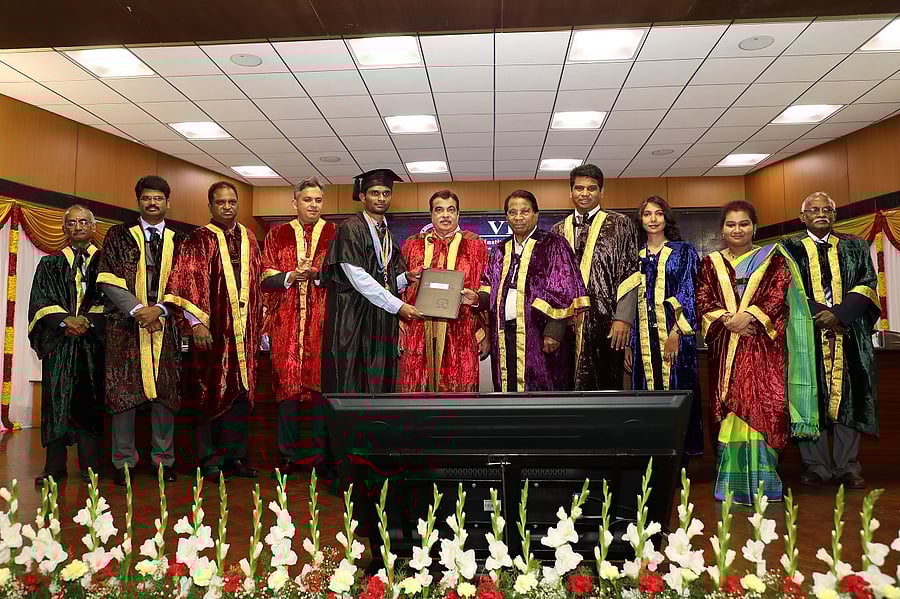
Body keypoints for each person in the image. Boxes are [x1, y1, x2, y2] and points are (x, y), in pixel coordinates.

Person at [696, 200, 816, 504]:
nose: (737, 230)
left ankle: (764, 484)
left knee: (762, 406)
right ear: (722, 230)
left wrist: (750, 317)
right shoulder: (710, 263)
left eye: (744, 224)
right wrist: (729, 320)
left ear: (755, 227)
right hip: (726, 346)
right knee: (731, 407)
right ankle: (732, 484)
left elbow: (776, 295)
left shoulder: (773, 259)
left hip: (763, 347)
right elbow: (703, 299)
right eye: (731, 224)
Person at [163, 181, 263, 481]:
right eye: (221, 202)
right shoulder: (199, 238)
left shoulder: (249, 237)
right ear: (210, 206)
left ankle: (235, 458)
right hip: (212, 332)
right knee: (209, 394)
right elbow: (186, 282)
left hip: (244, 332)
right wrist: (197, 323)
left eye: (232, 202)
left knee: (240, 394)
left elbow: (257, 282)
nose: (227, 207)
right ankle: (210, 460)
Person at [781, 192, 880, 490]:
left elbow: (867, 284)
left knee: (851, 397)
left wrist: (839, 315)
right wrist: (819, 314)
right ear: (803, 217)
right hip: (805, 334)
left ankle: (847, 466)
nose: (821, 213)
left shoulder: (855, 246)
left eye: (827, 209)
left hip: (849, 335)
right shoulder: (788, 249)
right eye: (814, 210)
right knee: (808, 397)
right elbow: (784, 289)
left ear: (835, 215)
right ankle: (817, 467)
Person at [97, 176, 185, 486]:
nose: (152, 202)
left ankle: (164, 461)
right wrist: (138, 311)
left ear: (167, 202)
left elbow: (186, 284)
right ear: (138, 202)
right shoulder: (118, 235)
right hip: (125, 328)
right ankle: (123, 462)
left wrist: (159, 309)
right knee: (124, 395)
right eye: (147, 197)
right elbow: (107, 279)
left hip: (166, 327)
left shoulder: (180, 240)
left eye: (158, 198)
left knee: (165, 396)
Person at [321, 168, 424, 396]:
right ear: (362, 196)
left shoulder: (388, 235)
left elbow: (385, 280)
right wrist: (398, 306)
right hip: (353, 319)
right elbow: (358, 278)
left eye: (386, 193)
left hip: (380, 320)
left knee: (380, 384)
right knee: (353, 382)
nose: (381, 198)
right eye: (375, 193)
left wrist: (406, 278)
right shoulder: (350, 229)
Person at [261, 177, 336, 477]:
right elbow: (264, 277)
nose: (313, 205)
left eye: (318, 200)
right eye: (307, 200)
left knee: (320, 394)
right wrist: (290, 276)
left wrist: (317, 275)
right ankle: (288, 456)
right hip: (287, 326)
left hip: (322, 325)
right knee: (287, 393)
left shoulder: (334, 234)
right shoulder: (277, 235)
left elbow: (345, 276)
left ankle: (319, 456)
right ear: (295, 202)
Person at [478, 190, 588, 392]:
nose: (518, 217)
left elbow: (564, 290)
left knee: (543, 389)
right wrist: (476, 298)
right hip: (504, 334)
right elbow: (488, 286)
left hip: (540, 334)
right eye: (512, 212)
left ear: (536, 214)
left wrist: (554, 331)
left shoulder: (554, 244)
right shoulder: (500, 250)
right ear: (506, 217)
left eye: (525, 211)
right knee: (508, 387)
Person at [28, 205, 105, 485]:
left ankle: (90, 466)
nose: (78, 226)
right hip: (59, 343)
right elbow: (40, 300)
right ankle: (54, 467)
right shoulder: (50, 264)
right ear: (64, 228)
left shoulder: (107, 264)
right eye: (71, 223)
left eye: (84, 221)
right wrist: (65, 321)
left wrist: (88, 321)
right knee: (55, 402)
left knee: (90, 401)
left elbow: (113, 300)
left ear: (93, 227)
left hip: (93, 344)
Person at [551, 164, 639, 390]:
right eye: (579, 188)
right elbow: (552, 283)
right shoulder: (557, 231)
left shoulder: (620, 224)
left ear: (601, 192)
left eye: (591, 188)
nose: (585, 193)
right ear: (570, 192)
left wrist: (623, 319)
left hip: (607, 322)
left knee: (605, 384)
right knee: (565, 385)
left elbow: (630, 272)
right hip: (567, 324)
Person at [627, 196, 703, 458]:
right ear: (641, 219)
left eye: (658, 213)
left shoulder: (683, 251)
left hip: (675, 336)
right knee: (646, 395)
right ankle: (651, 453)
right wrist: (629, 344)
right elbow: (628, 302)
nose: (653, 219)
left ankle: (680, 456)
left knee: (677, 390)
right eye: (647, 214)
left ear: (666, 218)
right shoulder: (634, 256)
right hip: (643, 341)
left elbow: (689, 292)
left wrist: (675, 333)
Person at [397, 190, 489, 392]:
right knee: (417, 390)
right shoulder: (413, 245)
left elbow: (487, 286)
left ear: (458, 214)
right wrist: (400, 327)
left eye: (451, 210)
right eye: (439, 210)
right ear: (431, 214)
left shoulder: (475, 245)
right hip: (418, 330)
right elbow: (399, 289)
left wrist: (485, 331)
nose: (445, 215)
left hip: (461, 330)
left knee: (458, 392)